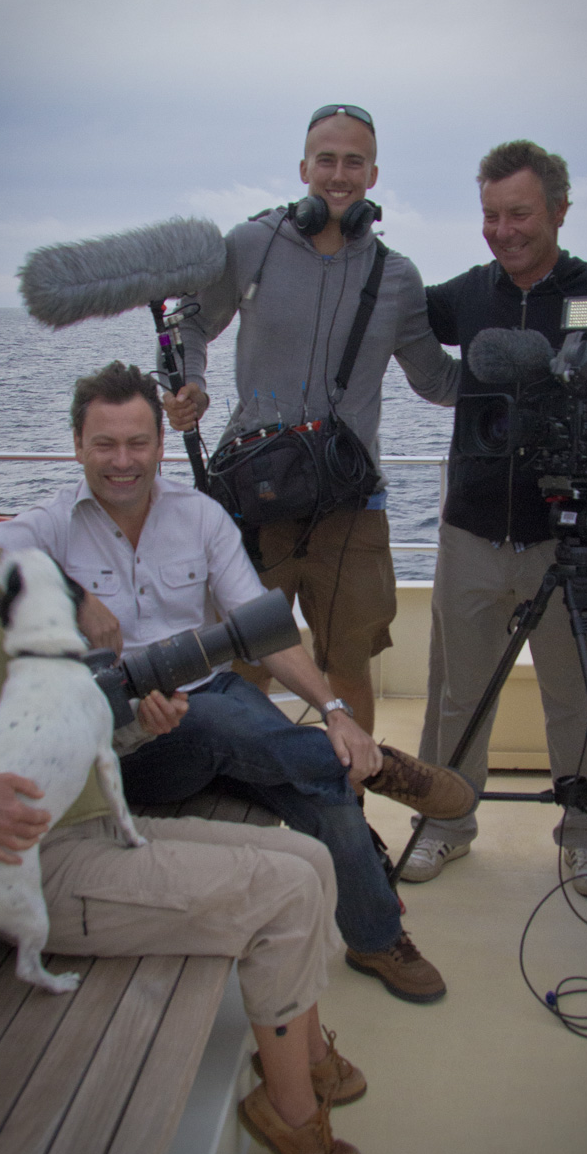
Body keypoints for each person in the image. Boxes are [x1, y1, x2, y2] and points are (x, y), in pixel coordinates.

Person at [0, 401, 366, 1154]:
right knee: (283, 892)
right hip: (32, 867)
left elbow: (63, 723)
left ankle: (305, 1054)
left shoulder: (7, 576)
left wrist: (137, 726)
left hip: (93, 829)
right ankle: (289, 1111)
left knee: (309, 860)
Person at [0, 362, 475, 1005]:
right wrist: (72, 594)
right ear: (78, 444)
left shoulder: (199, 517)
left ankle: (375, 938)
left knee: (316, 779)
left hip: (218, 705)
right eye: (105, 444)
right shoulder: (51, 525)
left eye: (137, 443)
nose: (123, 461)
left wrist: (334, 710)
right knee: (223, 723)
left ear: (160, 443)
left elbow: (263, 629)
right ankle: (377, 767)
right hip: (128, 741)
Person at [405, 141, 587, 891]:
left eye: (518, 214)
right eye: (490, 215)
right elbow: (395, 314)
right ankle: (444, 823)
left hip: (567, 532)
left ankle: (586, 834)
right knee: (458, 693)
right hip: (471, 528)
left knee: (577, 694)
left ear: (559, 211)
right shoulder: (465, 294)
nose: (502, 231)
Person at [165, 103, 459, 736]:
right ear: (303, 168)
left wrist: (514, 369)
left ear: (373, 176)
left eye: (354, 162)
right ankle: (250, 791)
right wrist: (191, 384)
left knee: (347, 667)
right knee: (247, 667)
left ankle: (348, 790)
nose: (339, 174)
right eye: (327, 160)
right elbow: (190, 323)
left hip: (350, 507)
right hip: (253, 501)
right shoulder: (250, 245)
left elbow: (437, 381)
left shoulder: (397, 276)